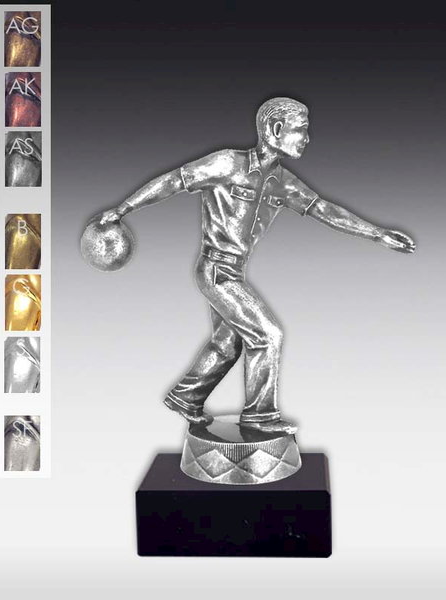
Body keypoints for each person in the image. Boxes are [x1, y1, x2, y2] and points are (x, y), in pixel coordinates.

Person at [100, 97, 415, 434]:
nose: (307, 139)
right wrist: (123, 208)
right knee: (267, 335)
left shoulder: (284, 183)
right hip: (216, 271)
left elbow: (325, 210)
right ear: (275, 129)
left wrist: (378, 233)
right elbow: (174, 181)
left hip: (234, 272)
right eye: (301, 130)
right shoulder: (226, 163)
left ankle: (186, 397)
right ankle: (260, 417)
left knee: (227, 344)